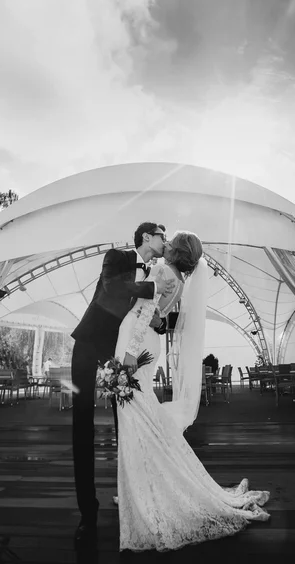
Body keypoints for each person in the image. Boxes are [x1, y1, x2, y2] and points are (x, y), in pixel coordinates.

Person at [115, 231, 270, 552]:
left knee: (135, 415)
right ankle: (143, 484)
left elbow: (145, 311)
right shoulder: (179, 280)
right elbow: (159, 315)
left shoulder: (161, 272)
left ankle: (148, 488)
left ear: (177, 250)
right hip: (147, 341)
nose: (166, 242)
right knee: (142, 415)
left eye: (172, 241)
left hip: (136, 341)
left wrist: (128, 357)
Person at [70, 222, 177, 545]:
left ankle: (131, 498)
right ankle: (87, 514)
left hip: (120, 353)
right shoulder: (116, 257)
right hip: (89, 345)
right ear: (146, 237)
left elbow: (158, 322)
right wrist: (153, 289)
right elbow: (114, 291)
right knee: (82, 425)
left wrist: (159, 317)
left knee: (126, 422)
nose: (165, 242)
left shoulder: (160, 273)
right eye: (162, 237)